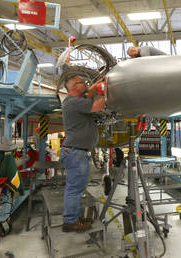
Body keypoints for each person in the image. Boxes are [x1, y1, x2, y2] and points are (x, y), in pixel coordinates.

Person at [59, 75, 106, 232]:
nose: (85, 83)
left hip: (75, 152)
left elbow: (89, 93)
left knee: (77, 188)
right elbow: (98, 106)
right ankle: (70, 222)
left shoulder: (73, 101)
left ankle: (75, 218)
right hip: (76, 153)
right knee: (74, 189)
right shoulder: (74, 102)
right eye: (81, 82)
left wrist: (97, 85)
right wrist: (109, 91)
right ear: (74, 87)